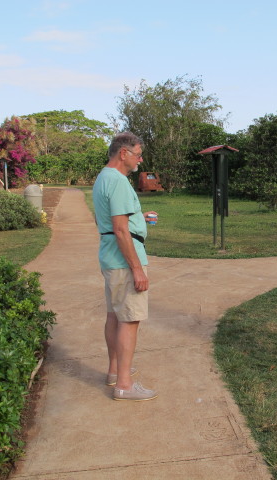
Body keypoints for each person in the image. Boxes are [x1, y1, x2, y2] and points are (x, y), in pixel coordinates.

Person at [92, 132, 158, 401]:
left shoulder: (103, 177)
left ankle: (114, 372)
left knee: (115, 316)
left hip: (110, 257)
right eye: (137, 154)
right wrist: (137, 269)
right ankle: (125, 384)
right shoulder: (118, 181)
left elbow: (110, 222)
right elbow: (120, 230)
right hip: (124, 260)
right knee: (130, 319)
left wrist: (138, 218)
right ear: (123, 153)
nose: (140, 159)